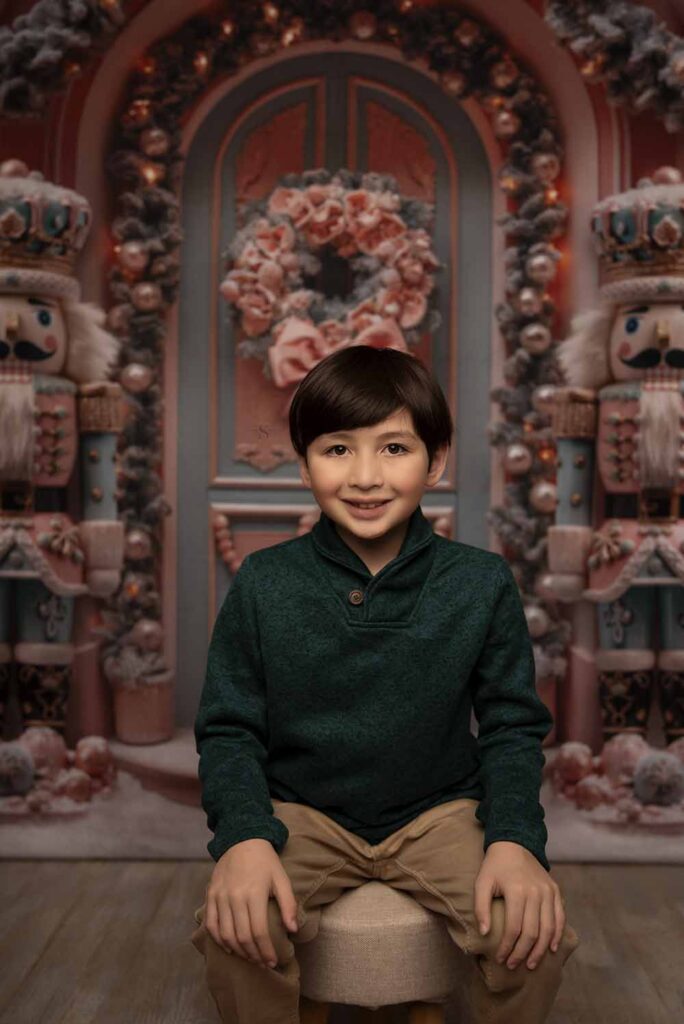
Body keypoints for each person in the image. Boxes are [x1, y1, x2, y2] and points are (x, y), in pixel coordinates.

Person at [190, 346, 580, 1023]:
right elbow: (229, 729)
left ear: (435, 461)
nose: (366, 477)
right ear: (304, 459)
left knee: (533, 937)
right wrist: (246, 838)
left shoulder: (480, 582)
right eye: (337, 450)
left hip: (438, 812)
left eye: (394, 448)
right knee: (236, 933)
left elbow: (513, 729)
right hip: (303, 810)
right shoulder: (264, 582)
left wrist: (516, 841)